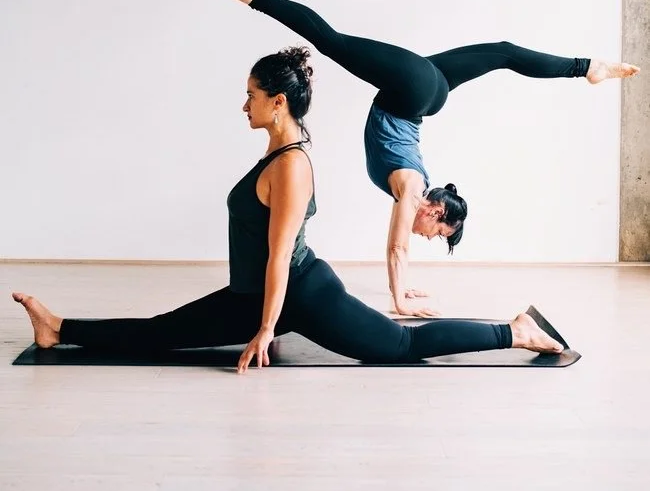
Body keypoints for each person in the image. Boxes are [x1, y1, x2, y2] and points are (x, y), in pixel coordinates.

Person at [13, 47, 564, 372]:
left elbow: (279, 257)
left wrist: (267, 328)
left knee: (398, 346)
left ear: (277, 103)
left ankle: (512, 331)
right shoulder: (277, 150)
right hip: (253, 294)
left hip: (300, 293)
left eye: (251, 94)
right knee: (162, 332)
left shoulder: (292, 166)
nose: (244, 103)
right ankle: (57, 328)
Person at [203, 0, 640, 318]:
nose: (427, 236)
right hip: (413, 90)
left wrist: (403, 284)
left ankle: (589, 67)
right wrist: (400, 300)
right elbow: (396, 248)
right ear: (435, 210)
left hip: (428, 93)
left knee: (503, 51)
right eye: (438, 232)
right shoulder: (412, 188)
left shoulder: (415, 182)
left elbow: (400, 247)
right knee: (330, 41)